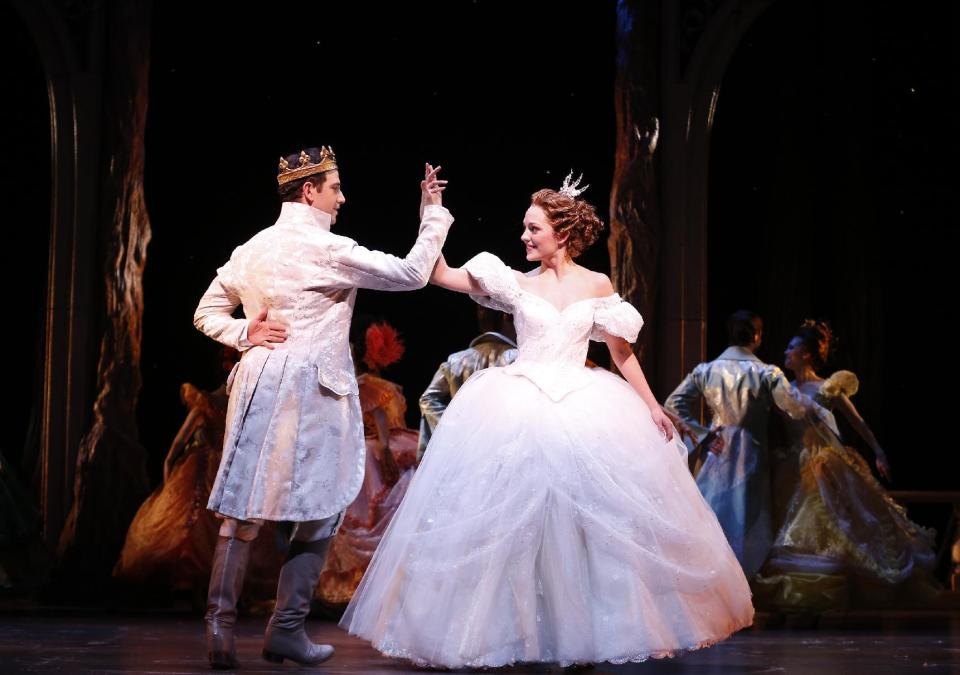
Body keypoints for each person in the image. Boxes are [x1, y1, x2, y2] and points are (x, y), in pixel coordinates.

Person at [340, 173, 753, 668]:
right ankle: (507, 635)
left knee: (586, 526)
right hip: (518, 402)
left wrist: (650, 405)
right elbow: (438, 273)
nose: (524, 237)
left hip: (583, 404)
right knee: (514, 527)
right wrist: (432, 210)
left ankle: (585, 638)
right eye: (523, 228)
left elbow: (621, 353)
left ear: (561, 231)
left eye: (533, 229)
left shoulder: (596, 284)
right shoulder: (513, 281)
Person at [192, 148, 452, 668]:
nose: (342, 196)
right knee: (320, 507)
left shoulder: (253, 248)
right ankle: (284, 627)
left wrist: (246, 332)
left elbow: (205, 311)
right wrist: (433, 215)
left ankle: (221, 631)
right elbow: (410, 273)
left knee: (243, 508)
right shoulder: (328, 248)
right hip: (311, 394)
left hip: (258, 383)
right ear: (309, 191)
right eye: (335, 187)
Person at [754, 320, 937, 611]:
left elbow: (858, 423)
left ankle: (835, 591)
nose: (786, 351)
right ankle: (798, 599)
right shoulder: (783, 388)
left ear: (807, 354)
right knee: (792, 528)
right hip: (792, 465)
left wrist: (879, 452)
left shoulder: (827, 388)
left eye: (792, 347)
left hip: (825, 464)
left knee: (833, 524)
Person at [664, 311, 820, 577]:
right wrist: (818, 399)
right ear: (757, 337)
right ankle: (746, 589)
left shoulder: (707, 370)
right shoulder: (766, 373)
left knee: (713, 516)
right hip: (752, 456)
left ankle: (714, 583)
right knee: (748, 521)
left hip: (717, 452)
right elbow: (793, 407)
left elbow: (673, 404)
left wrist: (704, 435)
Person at [317, 320, 419, 605]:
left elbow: (377, 420)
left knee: (367, 515)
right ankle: (386, 586)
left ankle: (361, 588)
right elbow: (382, 419)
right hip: (382, 449)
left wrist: (385, 451)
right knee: (386, 513)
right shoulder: (379, 386)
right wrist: (386, 451)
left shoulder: (364, 386)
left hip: (366, 451)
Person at [416, 306, 517, 462]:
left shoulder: (456, 360)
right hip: (504, 446)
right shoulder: (518, 358)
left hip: (464, 451)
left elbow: (428, 399)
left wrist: (453, 430)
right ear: (507, 317)